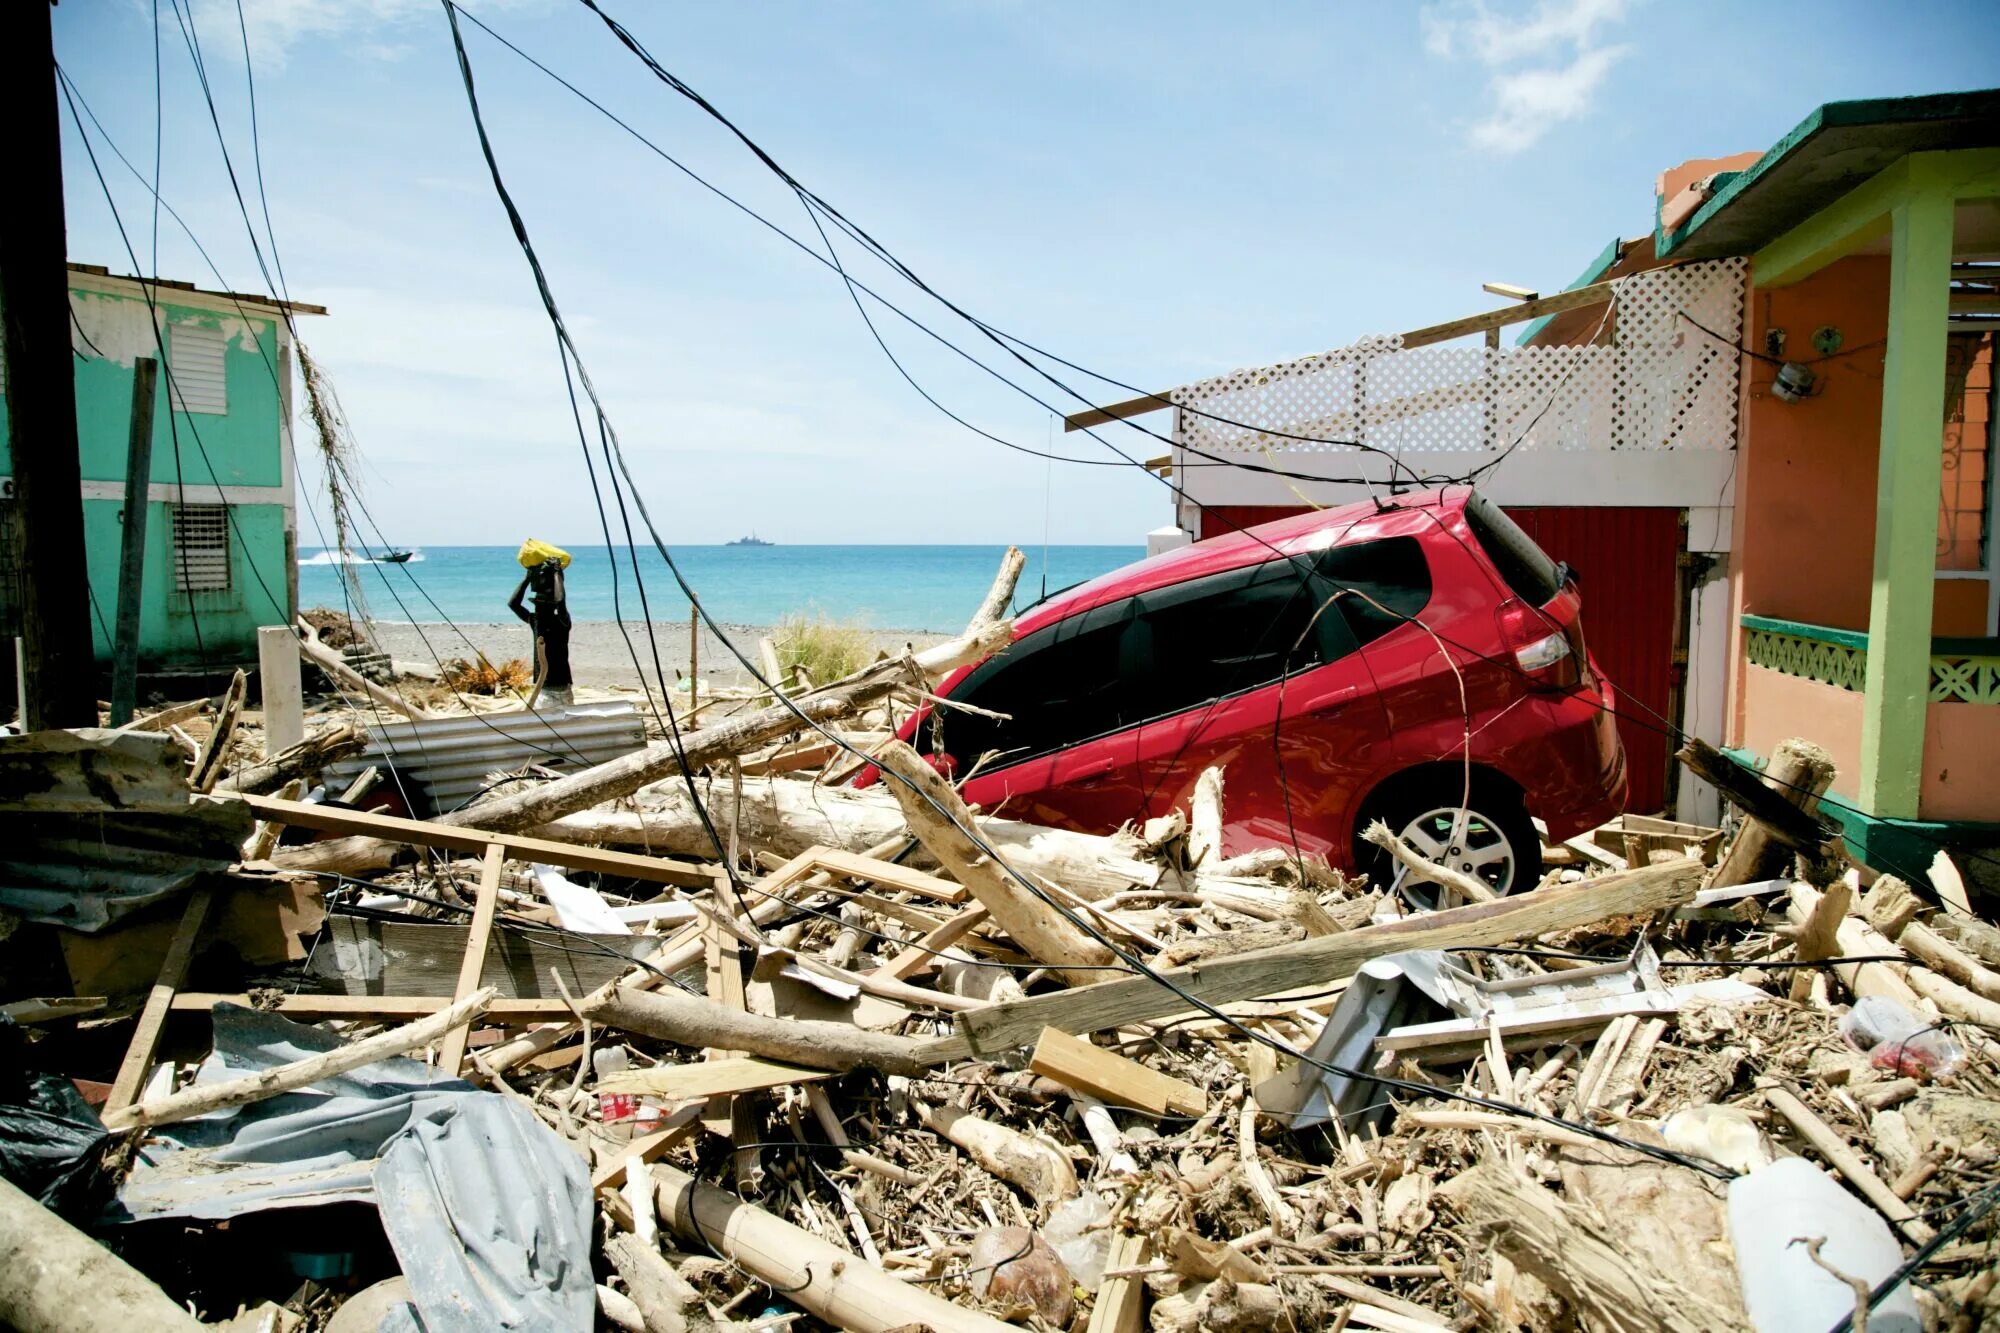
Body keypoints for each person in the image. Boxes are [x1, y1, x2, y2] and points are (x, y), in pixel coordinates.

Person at [509, 539, 573, 707]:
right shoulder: (536, 621)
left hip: (558, 691)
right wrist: (527, 578)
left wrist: (557, 573)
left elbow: (560, 601)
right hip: (544, 690)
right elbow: (513, 604)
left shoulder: (561, 621)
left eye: (539, 604)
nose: (536, 607)